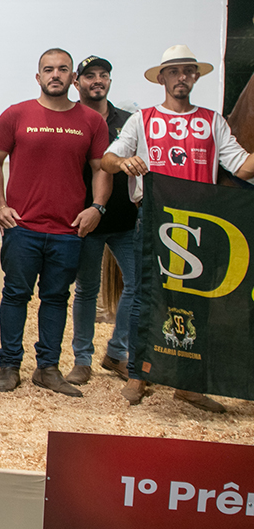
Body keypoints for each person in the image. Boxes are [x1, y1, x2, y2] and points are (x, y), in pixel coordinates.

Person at [102, 44, 254, 412]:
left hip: (201, 224)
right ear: (162, 78)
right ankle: (138, 373)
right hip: (154, 218)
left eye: (188, 71)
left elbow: (242, 167)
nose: (181, 77)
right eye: (174, 71)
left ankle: (189, 384)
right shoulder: (143, 120)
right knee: (146, 296)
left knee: (197, 302)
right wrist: (124, 163)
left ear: (196, 76)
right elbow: (107, 159)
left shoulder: (212, 122)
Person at [0, 48, 110, 397]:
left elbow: (101, 168)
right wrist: (0, 205)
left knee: (56, 298)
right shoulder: (16, 114)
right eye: (48, 69)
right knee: (15, 295)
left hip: (68, 230)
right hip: (22, 228)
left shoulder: (92, 121)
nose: (55, 75)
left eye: (62, 69)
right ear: (38, 76)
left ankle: (47, 369)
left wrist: (97, 208)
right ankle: (9, 366)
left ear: (73, 78)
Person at [67, 56, 137, 386]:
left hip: (126, 220)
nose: (98, 80)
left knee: (138, 285)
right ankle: (82, 359)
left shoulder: (129, 121)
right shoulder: (70, 118)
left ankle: (117, 352)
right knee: (86, 290)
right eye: (90, 75)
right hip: (87, 220)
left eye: (104, 75)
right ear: (77, 82)